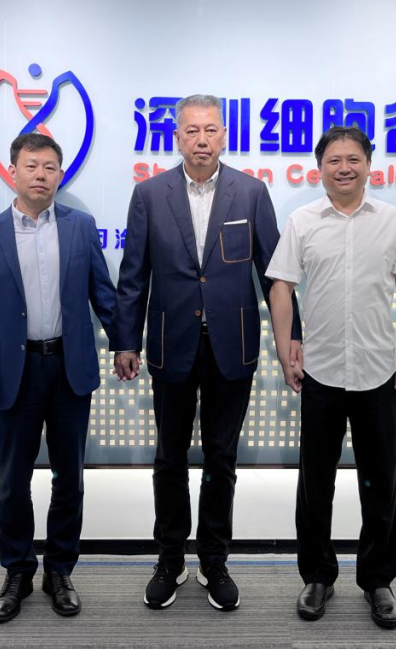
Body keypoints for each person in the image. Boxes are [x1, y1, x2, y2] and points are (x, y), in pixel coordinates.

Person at [111, 94, 301, 612]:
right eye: (191, 130)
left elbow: (275, 275)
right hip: (170, 342)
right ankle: (170, 559)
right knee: (169, 458)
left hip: (231, 345)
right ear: (177, 137)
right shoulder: (150, 194)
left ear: (224, 136)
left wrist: (292, 340)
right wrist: (126, 340)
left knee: (221, 458)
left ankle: (214, 561)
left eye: (210, 130)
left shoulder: (251, 192)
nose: (201, 139)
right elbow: (134, 274)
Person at [266, 125, 396, 630]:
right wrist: (286, 348)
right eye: (334, 160)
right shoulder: (303, 221)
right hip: (322, 371)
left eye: (353, 159)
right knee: (316, 483)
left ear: (369, 165)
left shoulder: (392, 220)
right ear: (320, 169)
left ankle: (378, 580)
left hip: (377, 372)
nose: (344, 168)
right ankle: (317, 576)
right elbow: (282, 287)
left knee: (380, 483)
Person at [0, 132, 115, 623]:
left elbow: (103, 294)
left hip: (69, 368)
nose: (41, 175)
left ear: (60, 174)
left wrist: (125, 344)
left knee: (69, 478)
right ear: (13, 171)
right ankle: (17, 571)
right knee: (13, 481)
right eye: (32, 166)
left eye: (50, 167)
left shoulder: (80, 227)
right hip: (16, 372)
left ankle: (60, 570)